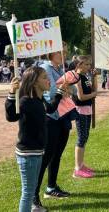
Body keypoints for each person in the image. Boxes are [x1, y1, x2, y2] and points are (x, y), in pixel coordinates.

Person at [5, 67, 66, 212]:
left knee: (31, 190)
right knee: (27, 192)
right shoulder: (25, 101)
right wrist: (12, 93)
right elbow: (11, 116)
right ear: (34, 82)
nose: (48, 80)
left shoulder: (40, 99)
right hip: (28, 154)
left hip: (38, 151)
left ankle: (34, 208)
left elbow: (51, 109)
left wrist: (59, 93)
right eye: (44, 77)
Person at [33, 52, 74, 207]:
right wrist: (61, 89)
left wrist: (67, 89)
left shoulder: (60, 69)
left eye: (65, 49)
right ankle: (34, 195)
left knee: (57, 154)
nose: (65, 53)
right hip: (51, 117)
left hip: (62, 115)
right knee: (45, 158)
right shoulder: (45, 68)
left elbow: (72, 92)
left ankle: (51, 187)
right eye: (61, 50)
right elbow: (47, 93)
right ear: (51, 53)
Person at [72, 56, 97, 178]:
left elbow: (94, 90)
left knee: (85, 137)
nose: (89, 67)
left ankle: (81, 165)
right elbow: (81, 97)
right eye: (86, 64)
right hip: (80, 111)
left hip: (87, 110)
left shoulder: (85, 77)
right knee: (81, 138)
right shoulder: (76, 78)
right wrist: (93, 94)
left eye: (89, 64)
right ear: (79, 65)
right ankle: (77, 169)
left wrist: (95, 77)